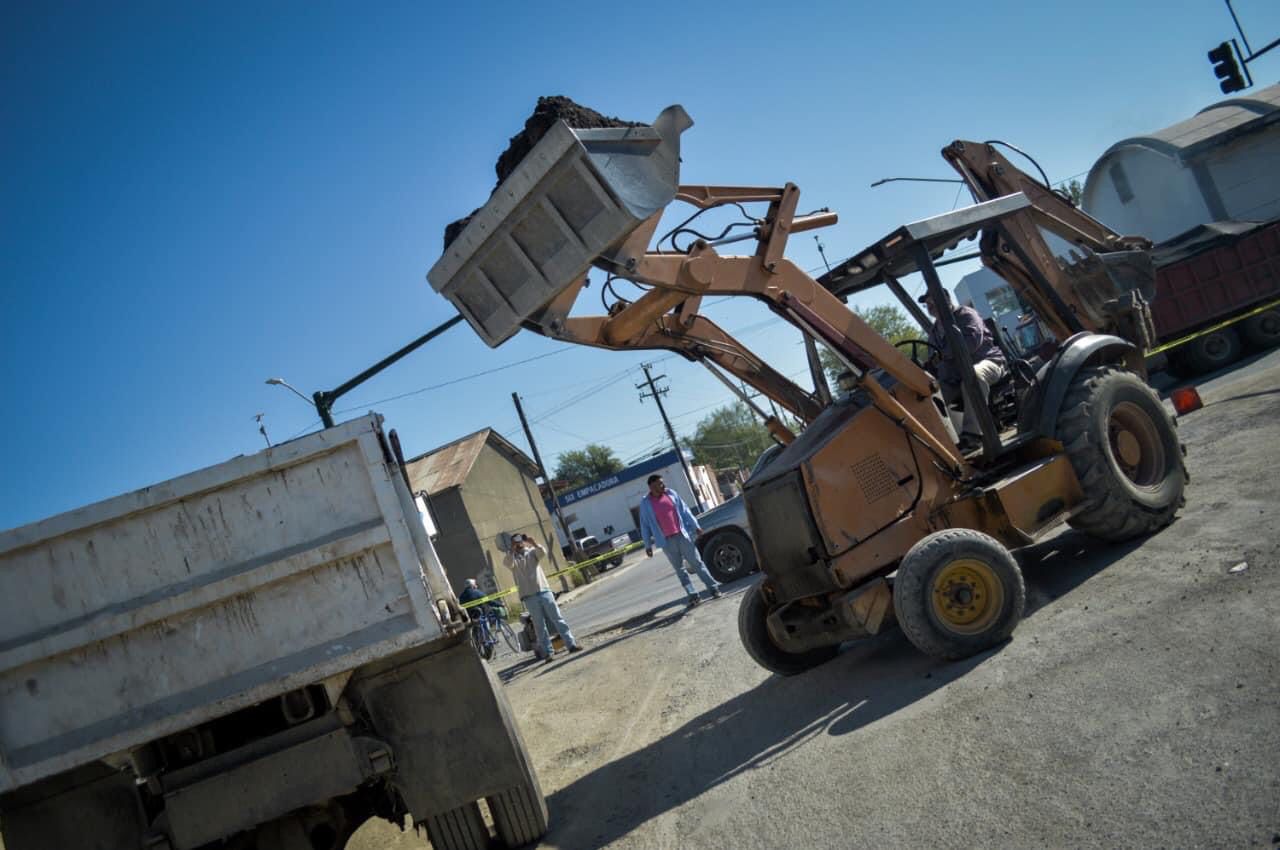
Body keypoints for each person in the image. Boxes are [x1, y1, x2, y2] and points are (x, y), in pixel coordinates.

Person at [919, 288, 1007, 451]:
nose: (930, 306)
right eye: (927, 305)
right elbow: (933, 356)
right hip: (955, 378)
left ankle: (973, 435)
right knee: (930, 395)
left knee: (974, 376)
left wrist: (944, 355)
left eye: (932, 302)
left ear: (945, 299)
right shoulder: (934, 331)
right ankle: (949, 442)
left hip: (988, 363)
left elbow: (971, 343)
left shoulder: (965, 315)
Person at [638, 474, 721, 608]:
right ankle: (693, 595)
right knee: (680, 570)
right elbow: (644, 525)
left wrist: (696, 526)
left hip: (682, 536)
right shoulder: (646, 503)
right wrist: (647, 545)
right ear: (652, 486)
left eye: (662, 483)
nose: (663, 485)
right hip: (666, 542)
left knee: (697, 563)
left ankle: (713, 589)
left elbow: (685, 511)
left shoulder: (671, 494)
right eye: (660, 484)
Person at [503, 533, 581, 662]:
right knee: (539, 626)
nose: (518, 543)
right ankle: (548, 653)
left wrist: (533, 542)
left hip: (544, 591)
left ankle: (571, 645)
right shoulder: (512, 558)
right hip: (529, 596)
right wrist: (512, 549)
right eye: (515, 541)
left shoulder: (532, 552)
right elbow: (507, 564)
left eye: (520, 540)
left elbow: (542, 552)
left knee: (557, 618)